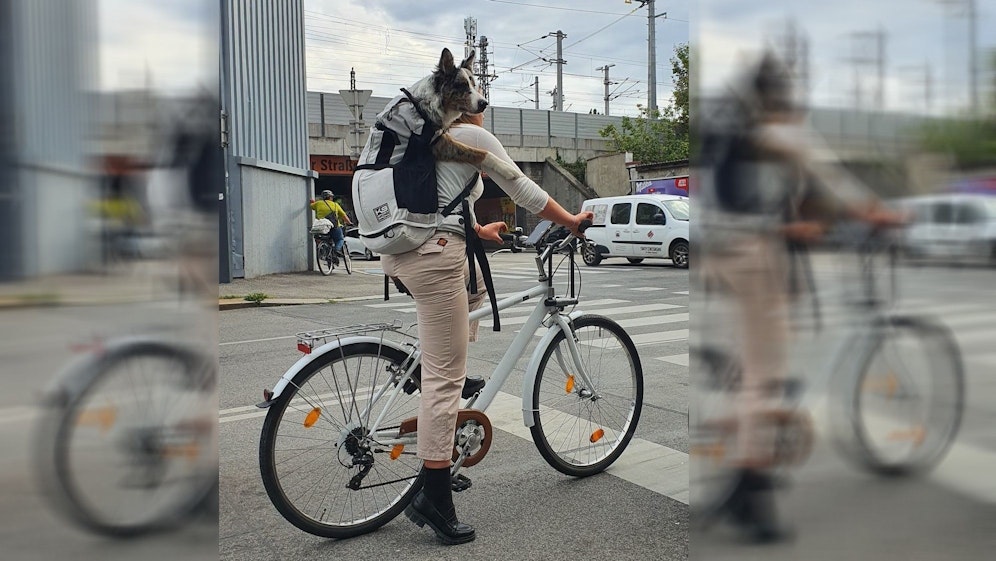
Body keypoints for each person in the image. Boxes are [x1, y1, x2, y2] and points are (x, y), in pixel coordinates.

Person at [696, 51, 902, 543]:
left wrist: (789, 224)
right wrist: (875, 212)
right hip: (751, 254)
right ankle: (752, 490)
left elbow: (736, 190)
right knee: (763, 379)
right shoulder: (771, 126)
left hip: (720, 252)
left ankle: (743, 431)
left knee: (748, 364)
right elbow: (823, 169)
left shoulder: (728, 123)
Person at [384, 109, 592, 545]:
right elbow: (523, 187)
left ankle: (438, 378)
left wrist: (478, 229)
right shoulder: (471, 135)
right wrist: (569, 221)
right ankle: (434, 496)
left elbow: (434, 200)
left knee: (476, 284)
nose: (484, 107)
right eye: (480, 100)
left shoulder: (431, 136)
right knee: (446, 379)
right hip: (434, 258)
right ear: (469, 106)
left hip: (406, 252)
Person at [309, 190, 352, 255]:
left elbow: (312, 206)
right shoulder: (335, 205)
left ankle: (325, 253)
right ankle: (336, 250)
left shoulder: (318, 203)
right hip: (333, 226)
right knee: (340, 239)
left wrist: (312, 202)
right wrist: (349, 222)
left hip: (322, 228)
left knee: (324, 239)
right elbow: (344, 216)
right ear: (330, 197)